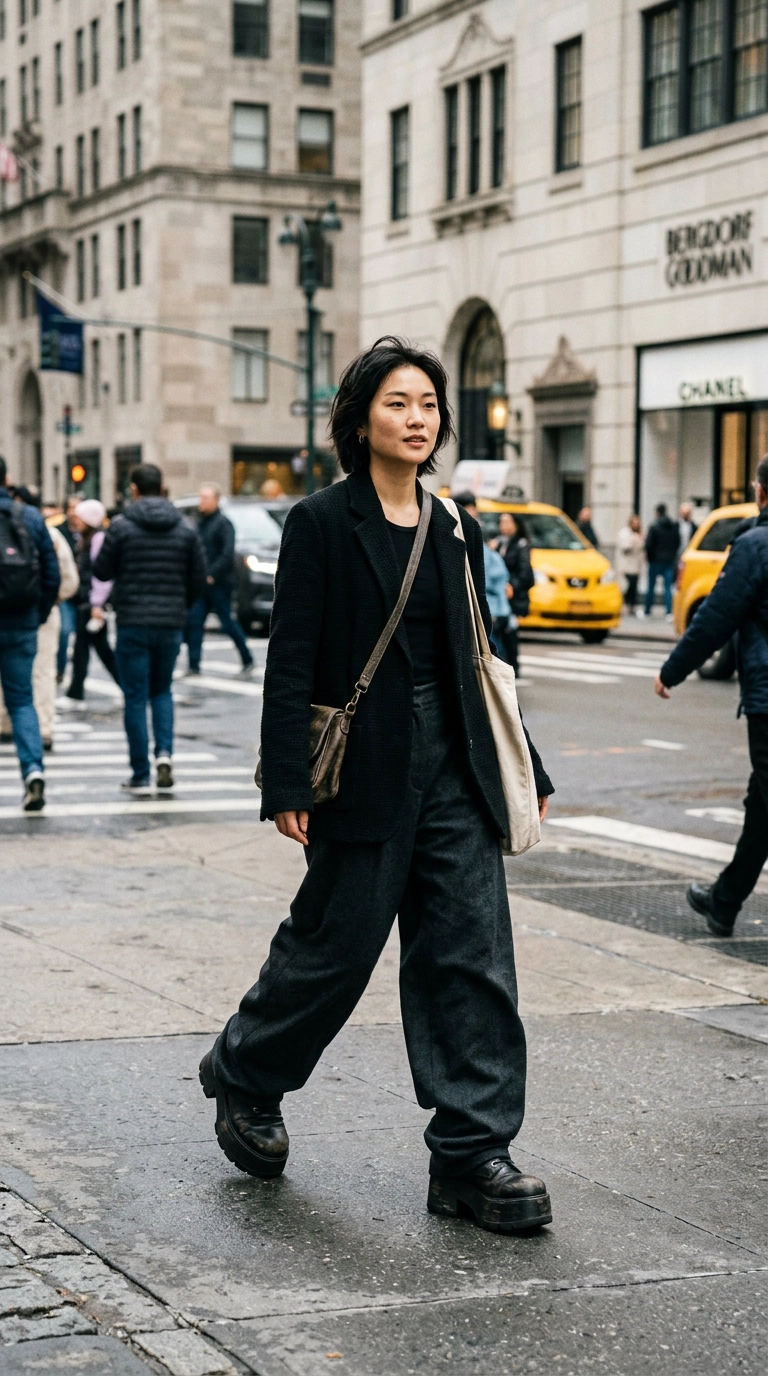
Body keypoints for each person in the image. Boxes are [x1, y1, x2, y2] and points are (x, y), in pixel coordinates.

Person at [200, 336, 554, 1236]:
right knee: (336, 945)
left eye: (429, 405)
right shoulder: (322, 521)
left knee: (472, 955)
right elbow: (293, 660)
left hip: (456, 762)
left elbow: (478, 655)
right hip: (361, 762)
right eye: (399, 403)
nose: (417, 419)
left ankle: (474, 1154)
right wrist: (287, 777)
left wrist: (527, 765)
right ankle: (244, 1071)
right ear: (361, 419)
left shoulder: (452, 523)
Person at [655, 455, 768, 937]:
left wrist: (672, 670)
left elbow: (715, 617)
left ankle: (724, 900)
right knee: (761, 805)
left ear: (761, 492)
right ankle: (724, 902)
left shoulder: (754, 546)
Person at [92, 463, 206, 797]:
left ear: (134, 489)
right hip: (170, 623)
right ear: (163, 487)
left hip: (132, 623)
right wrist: (179, 605)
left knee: (134, 696)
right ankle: (165, 755)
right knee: (162, 691)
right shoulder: (185, 527)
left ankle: (140, 771)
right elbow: (198, 579)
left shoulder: (122, 527)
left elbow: (101, 571)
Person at [0, 456, 60, 810]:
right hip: (21, 621)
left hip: (21, 619)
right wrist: (37, 613)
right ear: (7, 478)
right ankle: (33, 771)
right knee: (22, 700)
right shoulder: (31, 517)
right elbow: (51, 573)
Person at [0, 487, 79, 752]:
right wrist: (43, 608)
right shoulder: (45, 530)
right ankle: (43, 730)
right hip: (34, 614)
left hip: (16, 614)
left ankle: (3, 723)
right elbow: (64, 577)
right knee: (40, 675)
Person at [185, 484, 254, 677]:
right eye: (201, 498)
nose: (202, 502)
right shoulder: (198, 523)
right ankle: (193, 665)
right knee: (194, 622)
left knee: (227, 623)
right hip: (201, 584)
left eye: (206, 498)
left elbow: (226, 553)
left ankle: (247, 659)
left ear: (216, 501)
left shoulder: (223, 524)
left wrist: (211, 574)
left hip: (220, 584)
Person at [65, 500, 121, 704]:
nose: (75, 520)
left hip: (91, 602)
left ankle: (75, 692)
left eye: (79, 517)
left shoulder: (97, 539)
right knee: (100, 649)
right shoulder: (86, 539)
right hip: (88, 601)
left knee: (86, 648)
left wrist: (97, 604)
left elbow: (102, 575)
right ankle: (77, 691)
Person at [495, 511, 534, 673]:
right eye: (501, 522)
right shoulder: (500, 542)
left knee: (509, 630)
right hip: (500, 595)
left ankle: (513, 665)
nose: (503, 525)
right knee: (502, 631)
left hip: (512, 596)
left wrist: (511, 585)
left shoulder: (521, 544)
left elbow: (526, 574)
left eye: (507, 522)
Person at [53, 495, 81, 682]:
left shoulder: (93, 531)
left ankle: (77, 685)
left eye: (77, 508)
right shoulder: (57, 531)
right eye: (71, 508)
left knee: (87, 642)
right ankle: (60, 671)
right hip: (64, 592)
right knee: (64, 631)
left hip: (85, 594)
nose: (74, 512)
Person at [643, 503, 679, 618]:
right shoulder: (673, 525)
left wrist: (650, 558)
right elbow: (677, 542)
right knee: (668, 588)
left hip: (655, 561)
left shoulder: (654, 526)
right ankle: (669, 612)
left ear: (657, 512)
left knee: (651, 587)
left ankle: (647, 611)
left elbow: (648, 545)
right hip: (668, 560)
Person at [615, 514, 644, 614]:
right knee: (628, 585)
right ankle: (626, 603)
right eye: (634, 523)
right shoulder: (624, 533)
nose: (636, 525)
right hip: (626, 565)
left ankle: (632, 605)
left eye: (637, 523)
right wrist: (634, 540)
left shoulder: (640, 533)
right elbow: (624, 547)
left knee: (634, 586)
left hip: (636, 565)